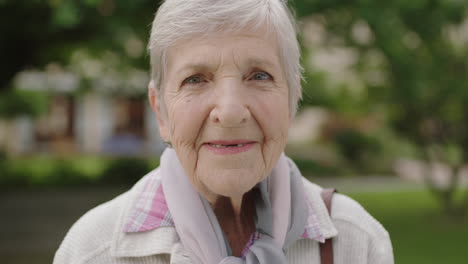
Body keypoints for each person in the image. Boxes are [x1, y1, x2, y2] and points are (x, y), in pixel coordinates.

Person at [54, 0, 393, 263]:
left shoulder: (356, 241)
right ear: (160, 110)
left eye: (259, 76)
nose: (230, 113)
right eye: (195, 80)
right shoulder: (93, 251)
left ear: (292, 99)